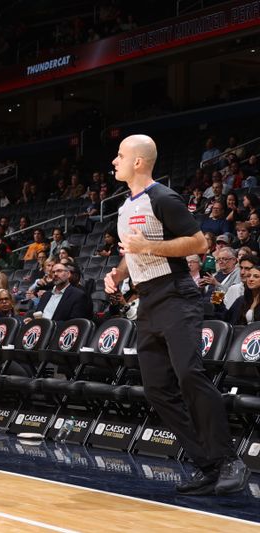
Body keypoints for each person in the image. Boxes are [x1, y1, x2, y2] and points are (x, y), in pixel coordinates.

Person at [105, 134, 249, 495]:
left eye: (120, 155)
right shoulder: (125, 206)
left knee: (189, 375)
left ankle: (230, 459)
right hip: (149, 301)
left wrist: (149, 246)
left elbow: (200, 243)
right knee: (156, 390)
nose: (114, 161)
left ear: (139, 161)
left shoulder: (163, 197)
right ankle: (207, 465)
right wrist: (118, 274)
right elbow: (132, 252)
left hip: (176, 294)